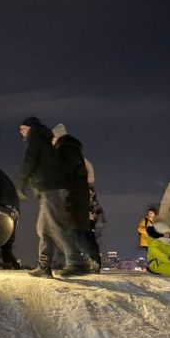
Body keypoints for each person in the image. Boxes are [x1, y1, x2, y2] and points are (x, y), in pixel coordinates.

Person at [17, 117, 86, 278]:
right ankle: (44, 266)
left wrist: (22, 182)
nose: (21, 131)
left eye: (22, 128)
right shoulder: (43, 140)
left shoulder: (35, 138)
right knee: (44, 229)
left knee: (56, 226)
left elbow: (30, 160)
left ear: (30, 127)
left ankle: (75, 262)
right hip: (49, 188)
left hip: (51, 188)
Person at [52, 123, 100, 272]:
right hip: (79, 193)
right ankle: (90, 260)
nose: (52, 142)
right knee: (80, 230)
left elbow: (67, 171)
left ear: (57, 136)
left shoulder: (66, 148)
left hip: (73, 194)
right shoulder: (73, 148)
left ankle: (84, 261)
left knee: (73, 230)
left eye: (53, 139)